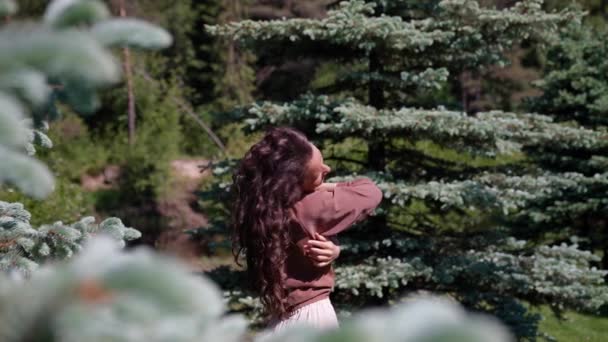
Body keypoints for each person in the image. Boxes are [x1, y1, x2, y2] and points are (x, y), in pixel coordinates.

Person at [231, 126, 383, 332]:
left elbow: (301, 243)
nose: (327, 169)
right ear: (293, 183)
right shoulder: (309, 205)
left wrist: (334, 248)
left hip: (283, 320)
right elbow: (370, 192)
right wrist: (330, 187)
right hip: (312, 318)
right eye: (319, 174)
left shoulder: (264, 209)